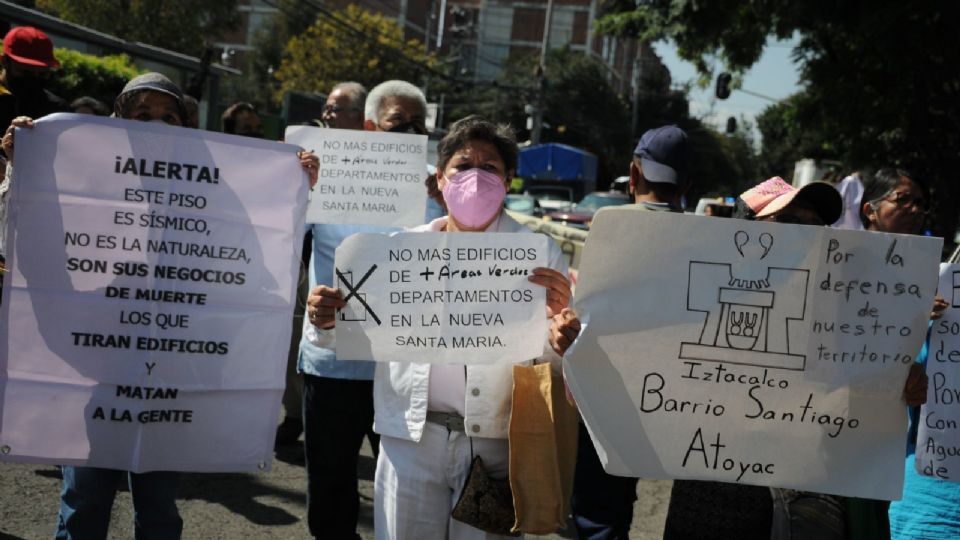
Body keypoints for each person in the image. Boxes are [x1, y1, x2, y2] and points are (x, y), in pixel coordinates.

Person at [2, 71, 317, 540]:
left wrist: (295, 189)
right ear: (117, 121)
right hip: (94, 368)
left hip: (173, 374)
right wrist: (22, 166)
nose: (155, 125)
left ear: (186, 127)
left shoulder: (217, 196)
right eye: (141, 114)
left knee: (158, 510)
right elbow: (28, 239)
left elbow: (252, 265)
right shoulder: (83, 182)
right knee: (83, 503)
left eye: (168, 116)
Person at [305, 116, 571, 539]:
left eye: (490, 168)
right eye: (463, 166)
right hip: (410, 441)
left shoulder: (539, 257)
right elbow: (353, 332)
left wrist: (563, 338)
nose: (476, 178)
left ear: (509, 181)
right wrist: (325, 320)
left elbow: (555, 359)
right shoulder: (399, 251)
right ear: (441, 179)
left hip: (495, 446)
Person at [299, 80, 427, 540]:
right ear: (371, 127)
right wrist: (292, 181)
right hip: (332, 365)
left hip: (403, 370)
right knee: (331, 495)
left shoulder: (436, 185)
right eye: (400, 123)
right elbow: (277, 238)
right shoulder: (321, 178)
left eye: (420, 124)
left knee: (406, 494)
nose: (411, 132)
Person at [569, 125, 692, 540]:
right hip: (680, 403)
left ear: (633, 176)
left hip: (607, 399)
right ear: (686, 183)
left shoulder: (608, 227)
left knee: (601, 514)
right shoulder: (705, 240)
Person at [870, 169, 960, 539]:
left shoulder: (939, 285)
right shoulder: (841, 275)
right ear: (869, 210)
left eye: (920, 203)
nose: (913, 209)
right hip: (922, 482)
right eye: (901, 199)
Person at [0, 26, 67, 136]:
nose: (34, 79)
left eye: (42, 74)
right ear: (4, 62)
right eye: (26, 72)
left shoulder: (55, 109)